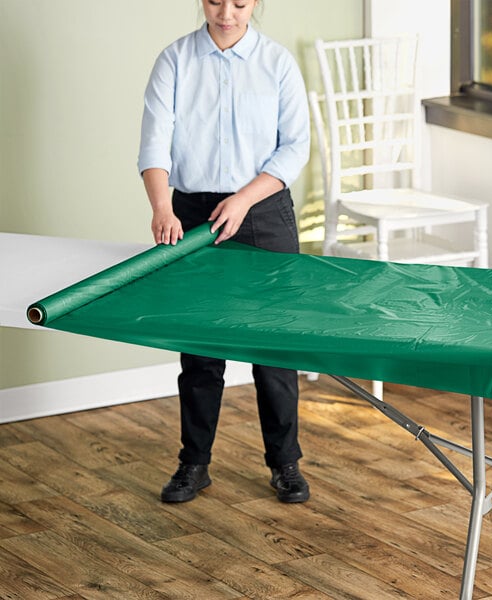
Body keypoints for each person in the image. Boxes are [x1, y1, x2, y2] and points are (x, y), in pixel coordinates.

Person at [138, 0, 310, 504]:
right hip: (189, 214)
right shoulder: (174, 60)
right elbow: (155, 143)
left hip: (262, 209)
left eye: (240, 2)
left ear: (256, 3)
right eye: (216, 0)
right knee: (200, 348)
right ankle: (193, 464)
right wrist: (161, 208)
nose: (227, 13)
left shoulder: (277, 63)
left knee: (274, 348)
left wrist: (243, 198)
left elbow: (295, 145)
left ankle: (285, 463)